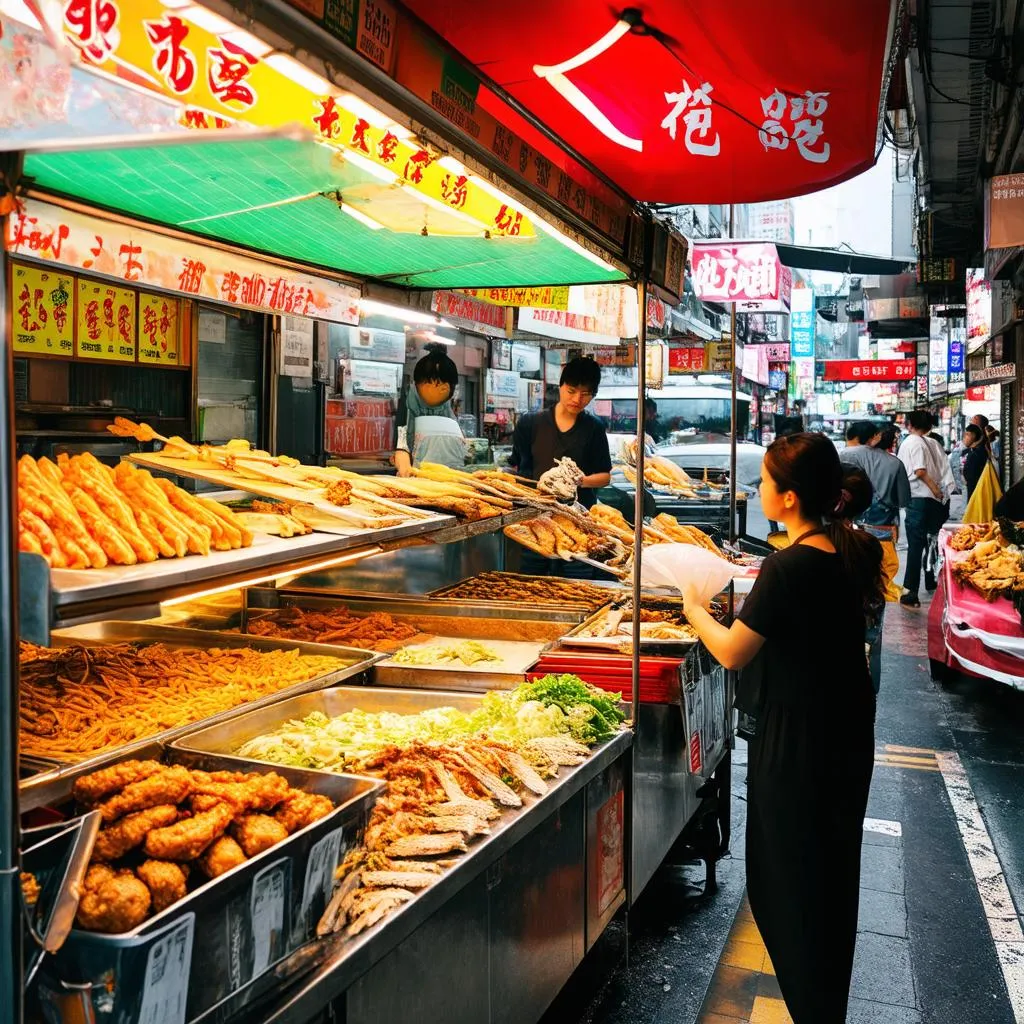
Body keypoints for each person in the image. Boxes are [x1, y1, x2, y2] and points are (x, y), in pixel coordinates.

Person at [680, 432, 881, 1023]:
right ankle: (823, 1006)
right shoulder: (850, 551)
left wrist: (694, 608)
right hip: (843, 736)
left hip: (798, 742)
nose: (757, 490)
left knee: (783, 883)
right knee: (828, 874)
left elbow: (734, 652)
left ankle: (812, 1006)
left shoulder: (787, 567)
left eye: (765, 482)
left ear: (789, 499)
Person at [510, 356, 612, 577]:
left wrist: (579, 481)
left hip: (578, 525)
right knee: (530, 584)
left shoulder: (594, 428)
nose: (577, 399)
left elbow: (605, 476)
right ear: (561, 386)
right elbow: (518, 470)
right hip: (536, 521)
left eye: (585, 394)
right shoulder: (530, 424)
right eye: (572, 390)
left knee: (578, 585)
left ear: (593, 395)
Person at [839, 421, 909, 600]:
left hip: (848, 524)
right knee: (882, 582)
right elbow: (903, 500)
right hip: (883, 528)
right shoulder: (895, 463)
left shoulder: (844, 454)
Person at [897, 410, 950, 607]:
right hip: (926, 500)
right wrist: (937, 492)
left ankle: (911, 590)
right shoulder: (924, 442)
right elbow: (925, 470)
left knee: (918, 545)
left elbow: (919, 471)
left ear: (910, 423)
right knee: (928, 543)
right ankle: (926, 583)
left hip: (920, 499)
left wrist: (936, 491)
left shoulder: (914, 441)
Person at [393, 345, 465, 476]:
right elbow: (401, 445)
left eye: (445, 385)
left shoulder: (446, 407)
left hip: (450, 477)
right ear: (420, 383)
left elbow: (459, 444)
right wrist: (406, 471)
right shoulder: (408, 403)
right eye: (434, 383)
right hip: (418, 476)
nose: (442, 389)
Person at [961, 424, 990, 500]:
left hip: (976, 493)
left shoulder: (977, 453)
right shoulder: (974, 450)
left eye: (967, 434)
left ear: (973, 436)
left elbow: (973, 477)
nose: (964, 437)